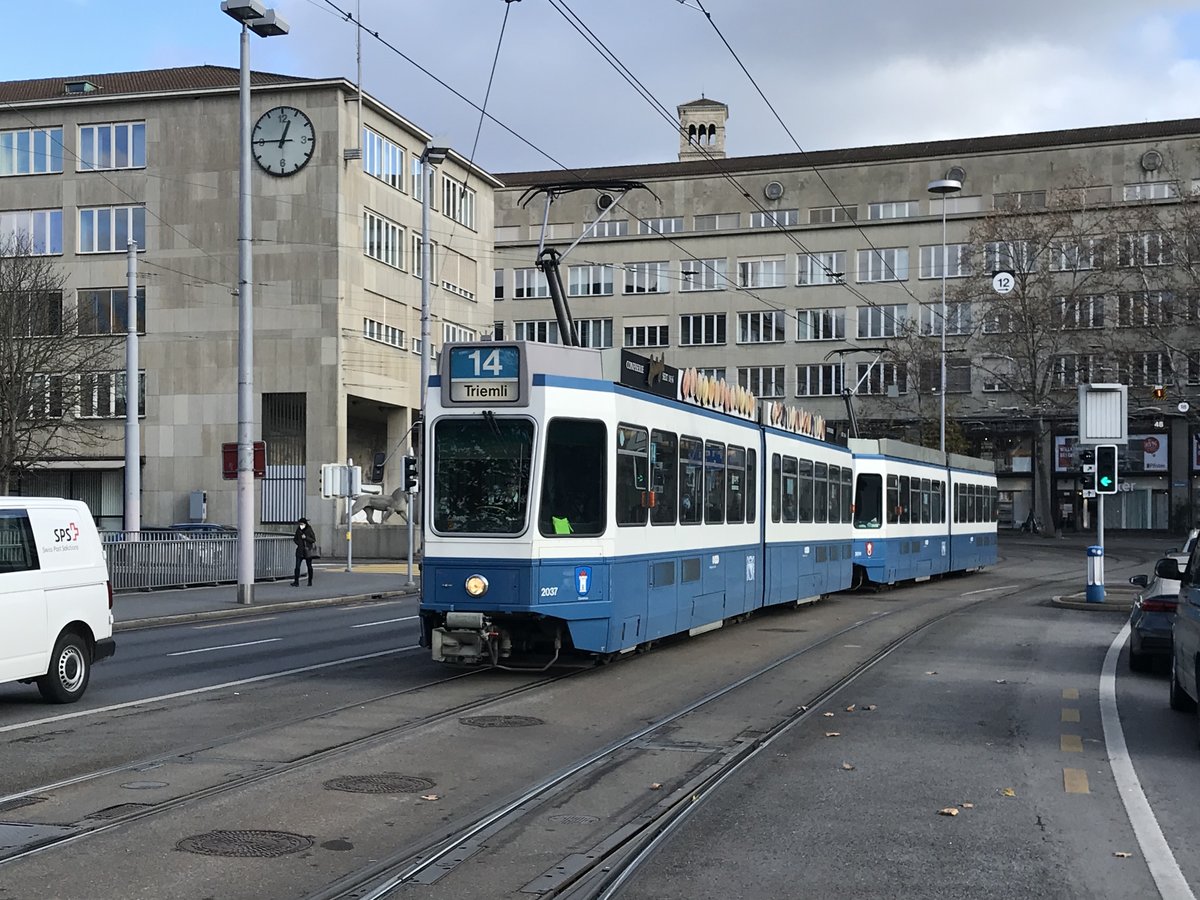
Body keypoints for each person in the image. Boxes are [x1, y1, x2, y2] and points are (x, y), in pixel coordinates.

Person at [292, 517, 316, 587]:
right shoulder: (298, 530)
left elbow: (313, 539)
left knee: (309, 566)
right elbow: (295, 539)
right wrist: (299, 543)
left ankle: (310, 581)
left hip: (307, 550)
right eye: (300, 524)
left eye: (302, 524)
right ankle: (296, 582)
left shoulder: (309, 529)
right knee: (297, 566)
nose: (301, 525)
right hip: (300, 550)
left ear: (305, 524)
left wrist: (306, 538)